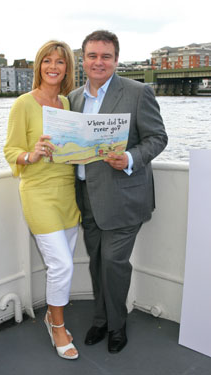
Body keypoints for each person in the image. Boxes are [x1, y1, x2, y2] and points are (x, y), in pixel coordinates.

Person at [68, 30, 168, 354]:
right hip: (86, 196)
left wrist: (129, 158)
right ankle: (100, 319)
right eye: (93, 56)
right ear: (83, 60)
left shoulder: (139, 92)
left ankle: (117, 325)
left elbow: (157, 138)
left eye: (106, 56)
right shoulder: (74, 99)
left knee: (113, 262)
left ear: (116, 60)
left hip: (124, 196)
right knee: (96, 262)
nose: (99, 62)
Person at [4, 40, 80, 360]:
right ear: (39, 66)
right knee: (60, 264)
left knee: (65, 262)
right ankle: (58, 326)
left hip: (68, 192)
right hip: (37, 191)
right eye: (47, 60)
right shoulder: (23, 103)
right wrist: (31, 153)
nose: (53, 66)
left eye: (59, 62)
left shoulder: (67, 102)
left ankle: (52, 315)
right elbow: (10, 150)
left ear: (66, 69)